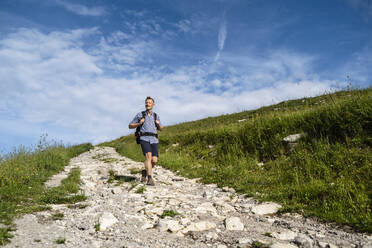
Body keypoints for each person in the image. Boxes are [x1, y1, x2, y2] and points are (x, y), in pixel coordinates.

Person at [128, 96, 163, 186]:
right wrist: (139, 123)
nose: (147, 104)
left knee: (154, 160)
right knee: (148, 156)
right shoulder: (140, 114)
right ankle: (149, 178)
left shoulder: (156, 116)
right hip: (144, 138)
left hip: (154, 139)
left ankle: (145, 171)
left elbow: (161, 129)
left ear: (153, 104)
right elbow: (130, 125)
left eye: (149, 103)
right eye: (146, 102)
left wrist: (158, 125)